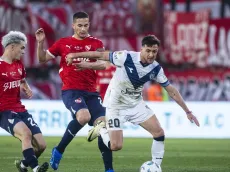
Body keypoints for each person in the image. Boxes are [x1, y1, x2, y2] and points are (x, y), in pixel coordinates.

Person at [66, 35, 200, 169]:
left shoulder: (156, 69)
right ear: (141, 49)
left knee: (159, 132)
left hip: (135, 104)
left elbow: (172, 91)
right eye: (148, 50)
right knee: (115, 146)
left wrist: (187, 111)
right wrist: (74, 55)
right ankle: (101, 129)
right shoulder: (126, 57)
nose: (151, 54)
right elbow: (100, 54)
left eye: (154, 52)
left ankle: (155, 167)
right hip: (116, 105)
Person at [35, 11, 114, 172]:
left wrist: (84, 65)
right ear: (73, 25)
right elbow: (42, 59)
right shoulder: (63, 43)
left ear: (89, 25)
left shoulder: (96, 42)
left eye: (86, 25)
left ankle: (109, 169)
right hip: (71, 91)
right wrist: (40, 43)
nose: (83, 29)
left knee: (103, 126)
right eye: (80, 25)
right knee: (84, 116)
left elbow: (102, 65)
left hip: (91, 92)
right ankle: (59, 150)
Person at [0, 31, 49, 172]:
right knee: (26, 134)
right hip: (4, 111)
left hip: (20, 109)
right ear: (12, 47)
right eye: (21, 48)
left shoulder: (19, 65)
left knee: (41, 145)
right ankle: (36, 168)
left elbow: (21, 79)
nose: (23, 51)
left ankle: (23, 165)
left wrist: (25, 86)